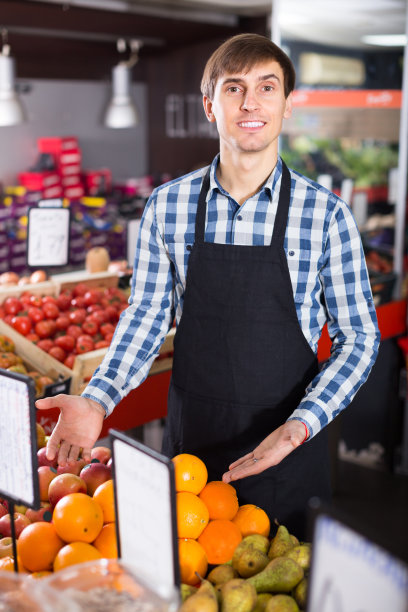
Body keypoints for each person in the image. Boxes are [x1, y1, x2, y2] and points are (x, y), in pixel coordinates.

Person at [37, 33, 380, 537]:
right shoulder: (167, 206)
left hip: (286, 453)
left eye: (267, 87)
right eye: (234, 88)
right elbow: (148, 314)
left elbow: (360, 338)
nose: (250, 103)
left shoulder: (326, 215)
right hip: (190, 453)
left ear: (287, 104)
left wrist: (301, 425)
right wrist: (97, 399)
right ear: (210, 105)